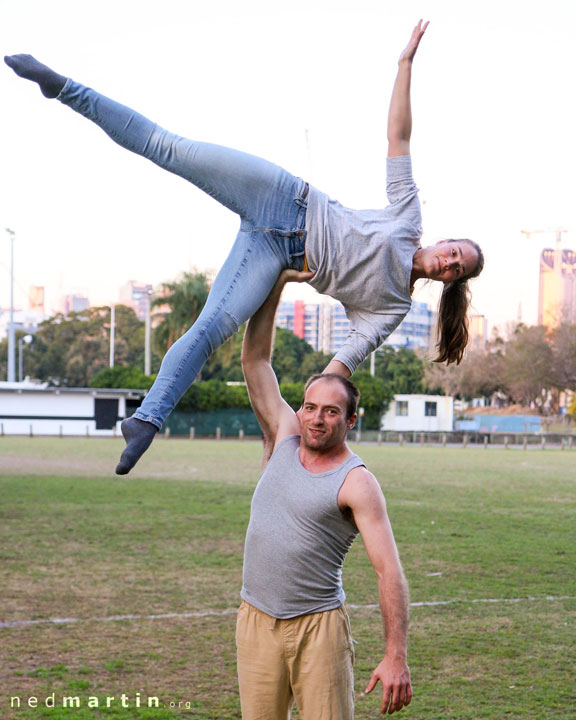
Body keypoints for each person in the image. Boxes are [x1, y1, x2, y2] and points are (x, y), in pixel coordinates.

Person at [4, 20, 484, 475]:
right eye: (455, 251)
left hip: (273, 257)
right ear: (445, 241)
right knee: (168, 147)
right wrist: (405, 65)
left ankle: (146, 420)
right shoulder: (407, 219)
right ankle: (62, 87)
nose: (449, 262)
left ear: (449, 282)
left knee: (211, 328)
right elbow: (398, 136)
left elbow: (341, 366)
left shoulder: (392, 306)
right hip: (280, 194)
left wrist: (303, 422)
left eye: (456, 270)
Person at [237, 268, 411, 719]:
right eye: (310, 407)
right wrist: (275, 283)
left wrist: (396, 656)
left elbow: (388, 571)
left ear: (350, 421)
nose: (317, 418)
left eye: (331, 412)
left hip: (319, 629)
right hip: (255, 620)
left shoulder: (357, 482)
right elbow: (256, 362)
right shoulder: (283, 438)